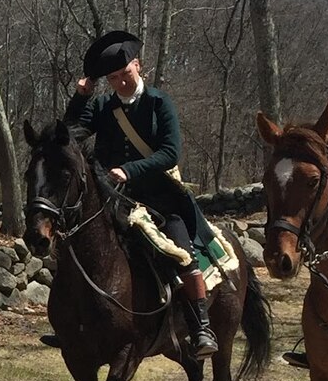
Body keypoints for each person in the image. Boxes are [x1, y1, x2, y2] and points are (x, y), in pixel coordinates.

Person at [62, 29, 221, 359]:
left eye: (126, 73)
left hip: (159, 196)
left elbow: (170, 152)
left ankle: (200, 327)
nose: (121, 81)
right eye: (114, 77)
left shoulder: (159, 103)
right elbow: (70, 135)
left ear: (138, 66)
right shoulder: (103, 106)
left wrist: (129, 170)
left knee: (181, 253)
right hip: (113, 199)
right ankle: (74, 324)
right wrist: (81, 97)